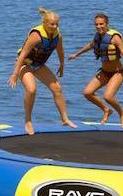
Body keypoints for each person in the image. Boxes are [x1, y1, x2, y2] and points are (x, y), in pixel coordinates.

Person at [8, 7, 77, 135]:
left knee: (57, 88)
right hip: (24, 64)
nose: (55, 27)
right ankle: (28, 121)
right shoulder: (36, 36)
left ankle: (65, 119)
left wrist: (62, 65)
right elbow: (22, 55)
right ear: (44, 23)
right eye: (52, 24)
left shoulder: (57, 36)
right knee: (31, 89)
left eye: (57, 24)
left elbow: (60, 51)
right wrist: (15, 73)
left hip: (39, 65)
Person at [69, 13, 123, 128]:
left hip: (117, 72)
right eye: (96, 24)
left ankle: (122, 115)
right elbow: (91, 45)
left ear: (107, 24)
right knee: (87, 93)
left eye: (101, 24)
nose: (99, 26)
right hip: (104, 72)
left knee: (108, 96)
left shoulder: (115, 37)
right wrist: (77, 54)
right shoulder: (98, 36)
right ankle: (106, 110)